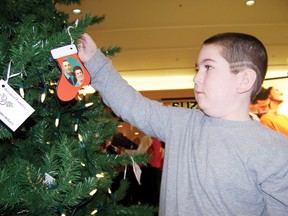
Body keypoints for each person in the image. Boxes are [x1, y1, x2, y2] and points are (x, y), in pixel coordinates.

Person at [78, 32, 288, 215]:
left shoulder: (275, 150)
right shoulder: (181, 124)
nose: (196, 78)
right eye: (197, 69)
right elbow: (133, 106)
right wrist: (95, 61)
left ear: (243, 80)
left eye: (208, 67)